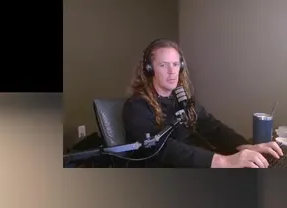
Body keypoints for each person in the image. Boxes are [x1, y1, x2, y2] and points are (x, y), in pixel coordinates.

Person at [121, 38, 282, 168]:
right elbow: (162, 148)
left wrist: (244, 146)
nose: (172, 71)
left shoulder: (181, 98)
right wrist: (223, 161)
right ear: (149, 69)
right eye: (163, 65)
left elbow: (211, 126)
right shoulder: (136, 106)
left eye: (175, 64)